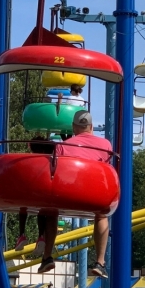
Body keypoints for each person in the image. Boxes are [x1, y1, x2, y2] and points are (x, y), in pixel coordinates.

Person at [37, 110, 113, 276]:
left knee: (50, 211)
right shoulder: (106, 145)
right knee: (101, 215)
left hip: (68, 192)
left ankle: (47, 256)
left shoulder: (63, 146)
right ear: (91, 127)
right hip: (94, 193)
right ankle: (100, 262)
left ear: (73, 127)